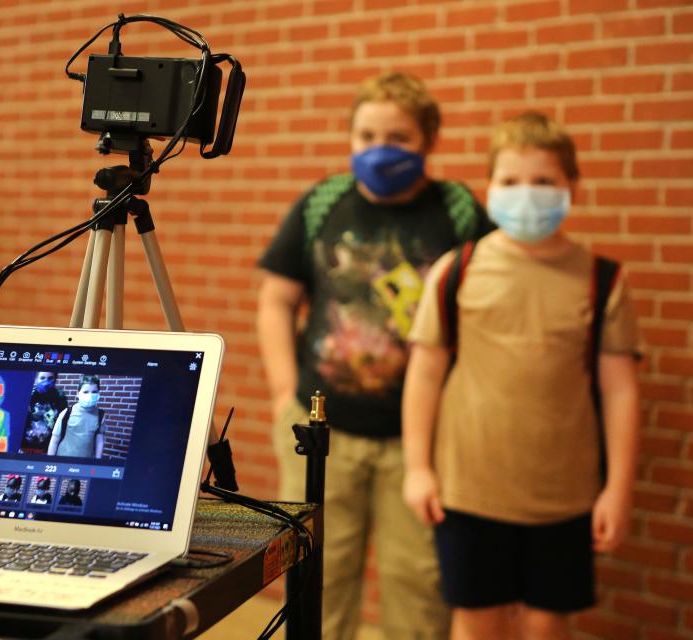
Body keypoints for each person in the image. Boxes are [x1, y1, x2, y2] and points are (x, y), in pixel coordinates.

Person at [257, 71, 494, 640]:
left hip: (422, 442)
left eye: (399, 137)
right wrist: (284, 393)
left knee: (419, 582)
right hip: (320, 436)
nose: (379, 150)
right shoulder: (323, 203)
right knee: (319, 576)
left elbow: (486, 309)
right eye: (366, 136)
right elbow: (276, 300)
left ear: (429, 141)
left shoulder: (458, 210)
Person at [402, 112, 640, 640]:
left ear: (572, 187)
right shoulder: (456, 271)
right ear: (490, 188)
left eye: (544, 181)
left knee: (545, 621)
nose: (526, 194)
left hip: (565, 493)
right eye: (510, 181)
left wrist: (617, 489)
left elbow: (620, 390)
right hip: (468, 489)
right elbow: (424, 376)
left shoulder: (603, 280)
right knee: (477, 617)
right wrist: (418, 467)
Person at [47, 375, 106, 459]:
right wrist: (49, 461)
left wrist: (97, 461)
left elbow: (99, 441)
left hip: (84, 464)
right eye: (86, 392)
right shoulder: (67, 413)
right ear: (78, 393)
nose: (90, 395)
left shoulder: (100, 415)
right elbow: (55, 439)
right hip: (62, 460)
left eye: (94, 392)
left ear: (98, 393)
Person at [19, 371, 68, 454]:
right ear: (36, 379)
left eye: (50, 378)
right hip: (25, 447)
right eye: (42, 378)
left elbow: (62, 425)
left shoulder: (60, 399)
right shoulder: (28, 397)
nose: (46, 382)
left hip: (48, 448)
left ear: (55, 379)